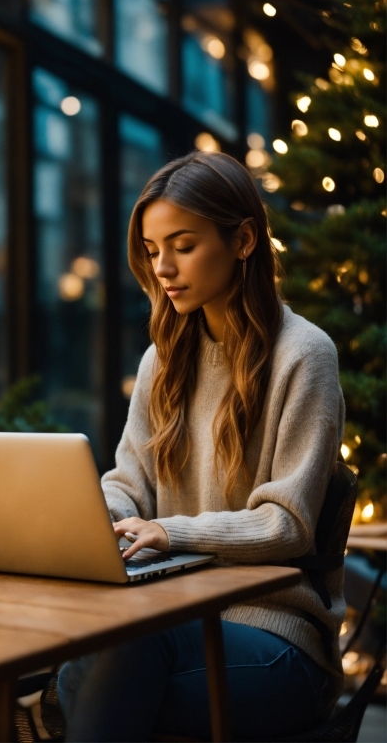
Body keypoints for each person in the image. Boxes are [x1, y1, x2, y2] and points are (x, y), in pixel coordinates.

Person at [57, 151, 346, 742]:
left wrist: (174, 531)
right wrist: (97, 525)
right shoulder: (162, 359)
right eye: (152, 249)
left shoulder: (304, 355)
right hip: (173, 617)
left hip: (277, 639)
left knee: (103, 669)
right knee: (83, 661)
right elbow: (126, 485)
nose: (163, 267)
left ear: (242, 241)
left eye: (182, 245)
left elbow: (288, 524)